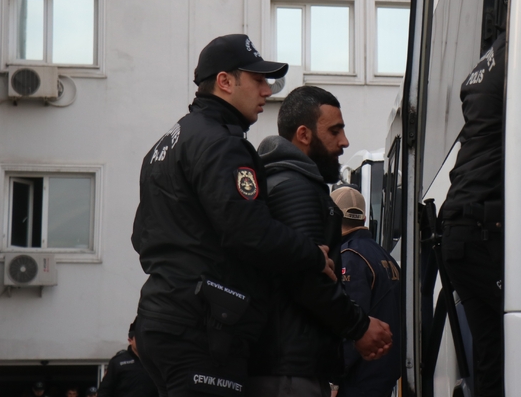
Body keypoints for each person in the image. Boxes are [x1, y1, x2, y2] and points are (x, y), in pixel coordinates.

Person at [131, 34, 391, 397]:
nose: (267, 91)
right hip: (201, 324)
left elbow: (141, 235)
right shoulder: (221, 143)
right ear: (225, 81)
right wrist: (312, 255)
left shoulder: (167, 143)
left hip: (162, 316)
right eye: (257, 80)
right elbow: (248, 231)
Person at [247, 86, 393, 397]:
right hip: (289, 374)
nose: (345, 141)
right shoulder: (295, 187)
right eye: (335, 131)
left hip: (287, 367)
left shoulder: (283, 181)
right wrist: (360, 327)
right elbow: (308, 280)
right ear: (304, 134)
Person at [438, 33, 506, 397]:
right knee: (514, 332)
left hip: (462, 228)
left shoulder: (487, 62)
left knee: (491, 348)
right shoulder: (519, 53)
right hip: (480, 229)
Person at [331, 186, 402, 397]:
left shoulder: (349, 257)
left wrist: (334, 380)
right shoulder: (384, 256)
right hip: (382, 375)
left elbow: (350, 323)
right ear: (363, 219)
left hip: (357, 379)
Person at [98, 322, 158, 397]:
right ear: (130, 340)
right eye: (139, 338)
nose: (143, 342)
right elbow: (104, 391)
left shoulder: (156, 361)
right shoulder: (118, 362)